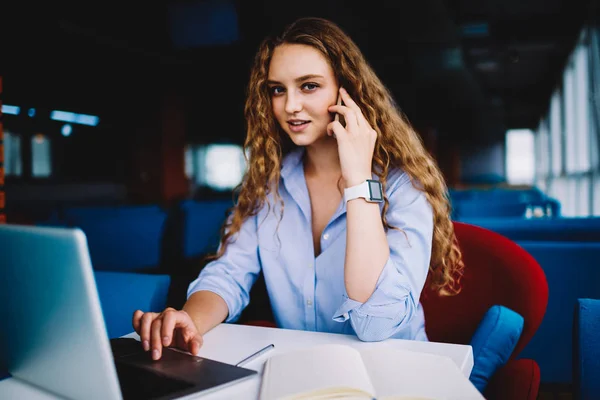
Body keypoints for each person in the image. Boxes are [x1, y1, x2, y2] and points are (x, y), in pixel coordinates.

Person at [133, 17, 464, 361]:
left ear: (346, 90)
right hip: (304, 372)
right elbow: (227, 275)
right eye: (278, 89)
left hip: (396, 372)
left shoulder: (402, 185)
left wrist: (358, 181)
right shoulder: (268, 185)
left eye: (308, 86)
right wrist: (190, 320)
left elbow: (376, 324)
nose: (290, 106)